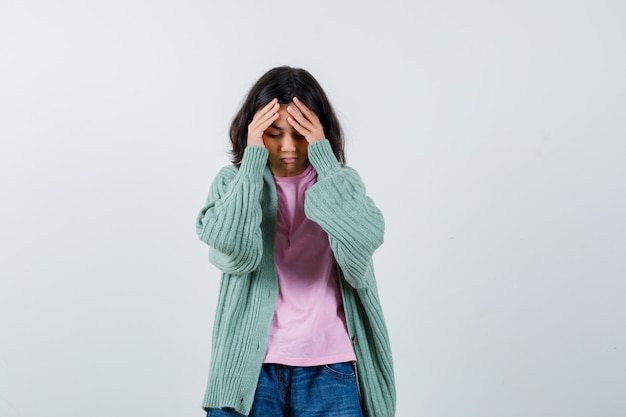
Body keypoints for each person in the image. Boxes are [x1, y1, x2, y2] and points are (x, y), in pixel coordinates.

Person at [196, 66, 395, 417]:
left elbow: (365, 239)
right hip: (250, 371)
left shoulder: (339, 182)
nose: (288, 147)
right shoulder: (232, 184)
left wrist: (325, 159)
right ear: (255, 133)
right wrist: (252, 160)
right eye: (273, 134)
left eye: (301, 134)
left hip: (332, 369)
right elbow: (231, 248)